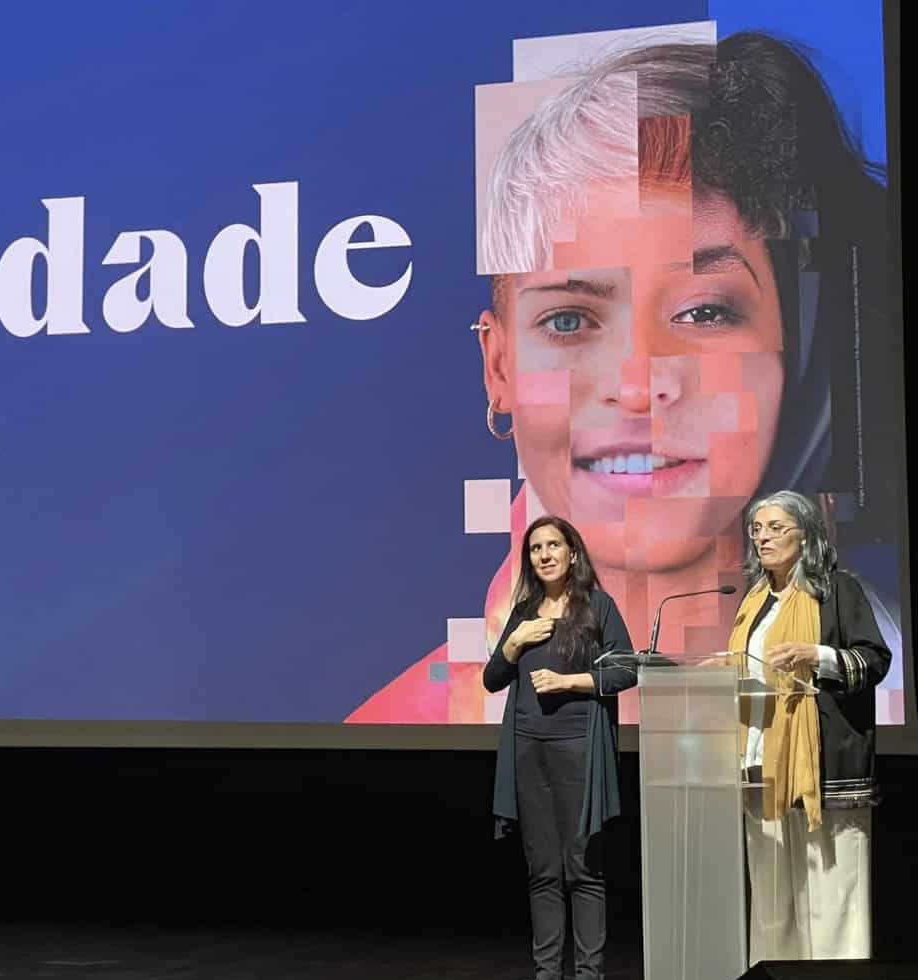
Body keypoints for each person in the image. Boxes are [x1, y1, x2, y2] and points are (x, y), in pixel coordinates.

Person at [346, 29, 903, 727]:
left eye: (703, 311)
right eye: (571, 321)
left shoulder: (884, 684)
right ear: (499, 369)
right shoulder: (408, 723)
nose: (639, 385)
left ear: (805, 356)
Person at [484, 515, 635, 980]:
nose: (544, 554)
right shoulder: (525, 612)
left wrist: (570, 683)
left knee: (582, 868)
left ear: (573, 552)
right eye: (535, 548)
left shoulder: (597, 607)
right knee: (541, 870)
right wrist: (512, 644)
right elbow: (492, 678)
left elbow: (627, 668)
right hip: (530, 749)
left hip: (577, 750)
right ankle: (547, 978)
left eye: (554, 545)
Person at [731, 489, 889, 961]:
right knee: (774, 899)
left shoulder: (838, 589)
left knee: (830, 896)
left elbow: (875, 660)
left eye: (776, 528)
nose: (763, 538)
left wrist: (815, 654)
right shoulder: (754, 601)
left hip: (824, 766)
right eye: (756, 529)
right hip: (761, 766)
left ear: (807, 536)